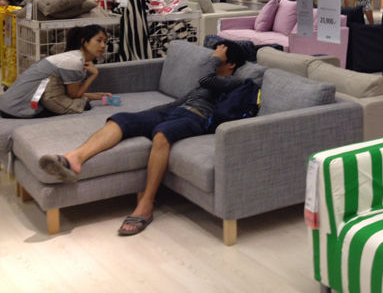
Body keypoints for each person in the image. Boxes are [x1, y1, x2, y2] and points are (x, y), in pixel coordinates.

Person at [38, 43, 246, 236]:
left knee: (162, 134)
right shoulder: (208, 79)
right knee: (121, 119)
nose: (213, 56)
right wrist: (148, 115)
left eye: (219, 54)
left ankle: (146, 204)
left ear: (231, 64)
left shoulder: (234, 81)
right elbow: (181, 101)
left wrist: (214, 59)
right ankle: (74, 158)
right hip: (175, 111)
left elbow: (205, 80)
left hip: (195, 118)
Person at [0, 25, 113, 118]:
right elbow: (74, 95)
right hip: (18, 109)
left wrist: (98, 96)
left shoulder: (71, 57)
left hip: (7, 105)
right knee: (84, 106)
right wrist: (94, 74)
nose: (103, 46)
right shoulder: (73, 61)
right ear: (84, 41)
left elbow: (68, 92)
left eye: (105, 41)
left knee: (82, 103)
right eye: (99, 40)